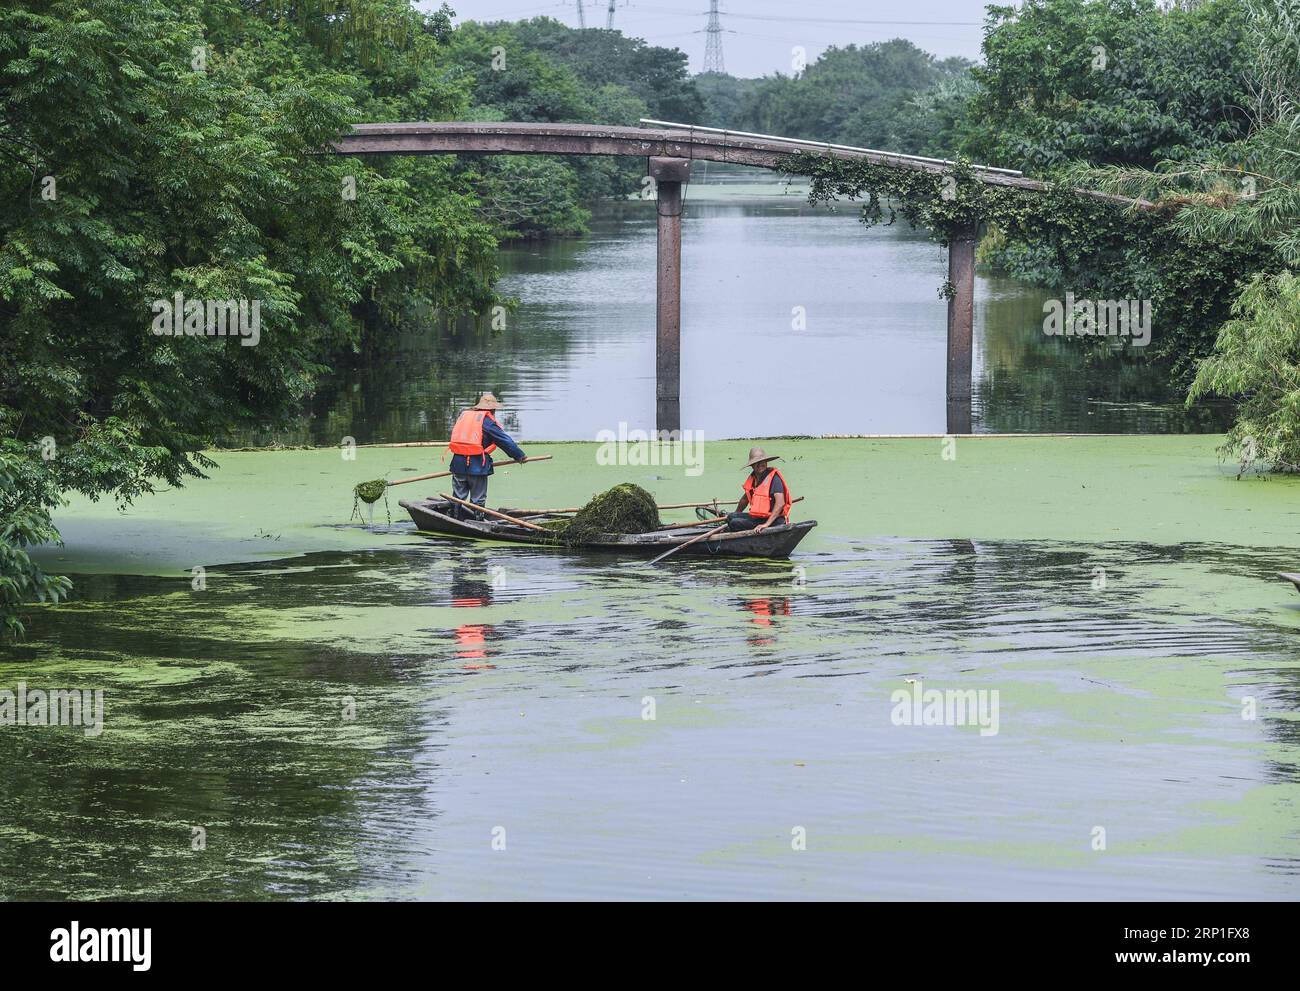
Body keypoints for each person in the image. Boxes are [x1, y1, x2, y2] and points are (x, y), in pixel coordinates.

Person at [445, 393, 526, 517]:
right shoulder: (487, 422)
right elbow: (504, 441)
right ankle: (476, 522)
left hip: (458, 464)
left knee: (457, 497)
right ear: (492, 410)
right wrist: (519, 456)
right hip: (477, 467)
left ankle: (453, 519)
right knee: (478, 500)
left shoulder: (464, 417)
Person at [727, 447, 791, 532]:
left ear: (766, 462)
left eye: (762, 462)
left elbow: (780, 503)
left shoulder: (774, 478)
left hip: (774, 520)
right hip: (759, 518)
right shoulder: (753, 478)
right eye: (757, 463)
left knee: (734, 523)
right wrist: (736, 514)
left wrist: (766, 525)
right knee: (731, 517)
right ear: (752, 465)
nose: (760, 464)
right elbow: (744, 500)